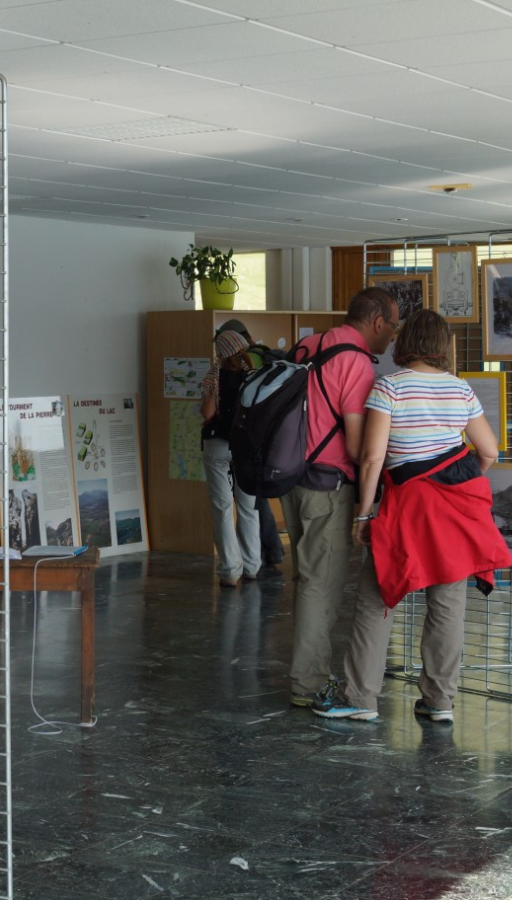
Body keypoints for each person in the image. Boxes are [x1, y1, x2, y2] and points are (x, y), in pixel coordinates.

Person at [315, 310, 511, 722]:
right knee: (447, 603)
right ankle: (440, 702)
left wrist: (363, 515)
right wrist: (456, 479)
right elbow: (489, 451)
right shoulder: (461, 390)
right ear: (443, 346)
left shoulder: (389, 387)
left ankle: (360, 697)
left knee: (377, 599)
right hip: (456, 513)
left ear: (405, 343)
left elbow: (371, 457)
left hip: (407, 511)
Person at [285, 288, 400, 710]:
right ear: (376, 323)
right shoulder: (354, 364)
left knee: (305, 577)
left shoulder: (308, 345)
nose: (391, 338)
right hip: (327, 488)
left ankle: (306, 672)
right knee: (321, 585)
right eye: (392, 327)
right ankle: (308, 684)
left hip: (290, 480)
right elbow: (355, 448)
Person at [215, 319, 285, 568]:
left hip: (234, 440)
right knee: (254, 500)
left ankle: (263, 553)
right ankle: (259, 559)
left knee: (243, 502)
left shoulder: (241, 365)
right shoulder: (266, 357)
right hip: (266, 439)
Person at [200, 329, 261, 587]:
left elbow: (207, 412)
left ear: (221, 352)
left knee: (223, 507)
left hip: (218, 445)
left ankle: (230, 571)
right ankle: (252, 566)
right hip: (246, 448)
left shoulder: (214, 374)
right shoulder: (255, 376)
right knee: (248, 507)